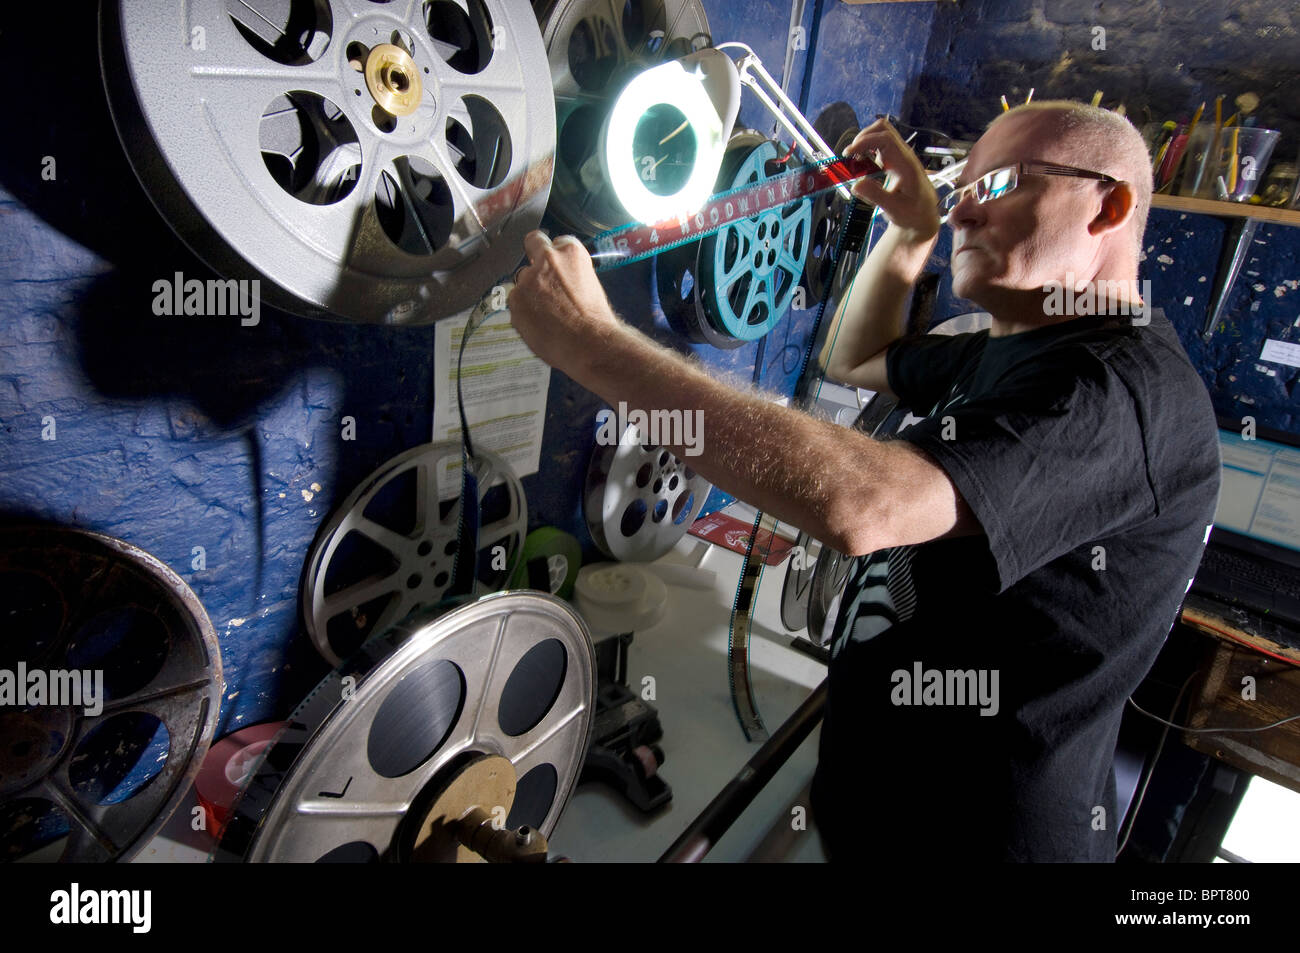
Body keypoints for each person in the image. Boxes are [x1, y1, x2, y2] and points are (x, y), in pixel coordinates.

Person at [507, 100, 1220, 861]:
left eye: (1001, 183)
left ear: (1108, 205)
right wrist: (908, 233)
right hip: (884, 807)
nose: (963, 215)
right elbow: (856, 354)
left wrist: (592, 346)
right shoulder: (1012, 354)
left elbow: (866, 505)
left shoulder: (1124, 393)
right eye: (960, 191)